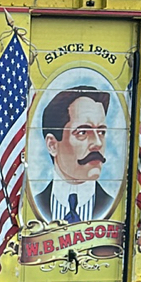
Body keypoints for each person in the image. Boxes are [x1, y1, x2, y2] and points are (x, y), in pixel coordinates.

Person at [33, 85, 114, 223]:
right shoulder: (37, 204)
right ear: (52, 145)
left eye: (101, 132)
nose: (98, 143)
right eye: (82, 132)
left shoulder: (109, 205)